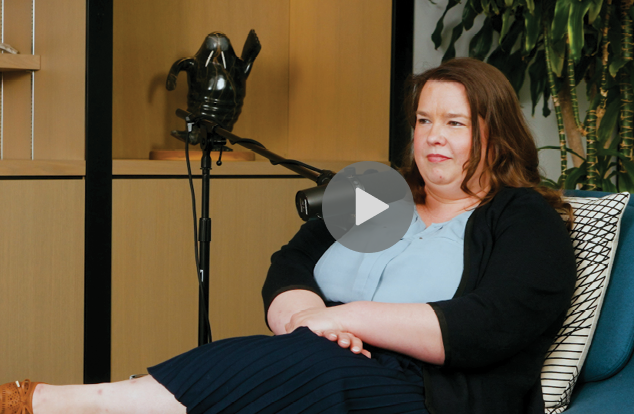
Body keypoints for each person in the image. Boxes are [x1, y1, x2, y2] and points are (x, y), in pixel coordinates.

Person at [1, 58, 576, 414]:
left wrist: (344, 320)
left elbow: (487, 324)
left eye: (454, 123)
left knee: (297, 369)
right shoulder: (383, 191)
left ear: (494, 133)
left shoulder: (523, 215)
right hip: (316, 357)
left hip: (428, 394)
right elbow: (291, 261)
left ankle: (58, 404)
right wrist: (307, 320)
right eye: (424, 120)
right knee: (297, 365)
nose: (432, 138)